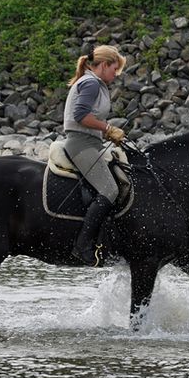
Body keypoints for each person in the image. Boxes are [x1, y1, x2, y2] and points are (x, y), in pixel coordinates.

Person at [62, 44, 127, 266]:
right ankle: (82, 245)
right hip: (81, 144)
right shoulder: (90, 83)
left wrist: (105, 133)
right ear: (103, 65)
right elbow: (80, 116)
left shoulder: (94, 83)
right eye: (114, 69)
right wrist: (107, 129)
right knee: (110, 190)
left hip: (92, 142)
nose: (115, 74)